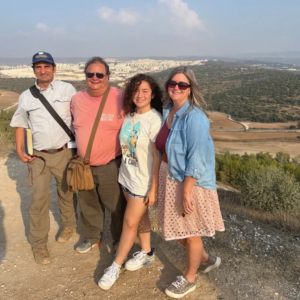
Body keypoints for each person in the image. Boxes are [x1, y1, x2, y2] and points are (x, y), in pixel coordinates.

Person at [155, 66, 225, 298]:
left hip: (189, 184)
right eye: (172, 83)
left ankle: (190, 278)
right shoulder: (167, 112)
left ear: (190, 89)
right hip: (170, 176)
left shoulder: (195, 117)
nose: (176, 87)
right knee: (178, 231)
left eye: (182, 84)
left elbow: (196, 157)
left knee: (191, 232)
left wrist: (186, 191)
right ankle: (206, 259)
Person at [10, 51, 77, 265]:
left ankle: (69, 225)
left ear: (54, 68)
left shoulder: (68, 89)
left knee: (66, 192)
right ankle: (39, 244)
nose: (43, 70)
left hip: (64, 152)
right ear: (34, 70)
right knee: (39, 199)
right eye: (38, 67)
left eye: (46, 66)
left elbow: (79, 117)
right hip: (38, 156)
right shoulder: (26, 96)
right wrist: (20, 150)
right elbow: (20, 124)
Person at [98, 74, 163, 290]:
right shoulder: (129, 115)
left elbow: (157, 159)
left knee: (129, 223)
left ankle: (115, 265)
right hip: (126, 176)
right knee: (140, 217)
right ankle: (147, 252)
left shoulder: (154, 121)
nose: (140, 95)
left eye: (145, 91)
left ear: (153, 94)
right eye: (136, 90)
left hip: (142, 183)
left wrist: (153, 188)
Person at [71, 57, 127, 254]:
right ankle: (93, 237)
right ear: (85, 76)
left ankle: (120, 240)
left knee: (116, 206)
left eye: (99, 74)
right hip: (84, 165)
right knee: (88, 204)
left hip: (110, 165)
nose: (94, 78)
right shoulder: (77, 99)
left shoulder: (119, 97)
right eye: (90, 74)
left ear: (107, 77)